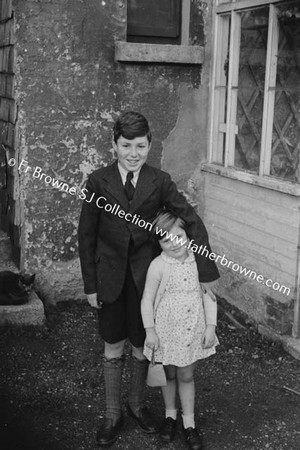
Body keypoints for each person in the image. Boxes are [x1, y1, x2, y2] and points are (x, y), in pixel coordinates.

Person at [78, 111, 219, 447]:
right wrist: (91, 285)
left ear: (149, 145)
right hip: (110, 278)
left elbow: (191, 220)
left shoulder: (160, 180)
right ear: (114, 145)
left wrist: (207, 268)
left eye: (140, 146)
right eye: (126, 145)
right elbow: (86, 235)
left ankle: (138, 405)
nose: (133, 153)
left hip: (146, 281)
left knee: (143, 346)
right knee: (113, 345)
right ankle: (113, 413)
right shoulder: (98, 182)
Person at [141, 210, 218, 450]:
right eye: (165, 239)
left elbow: (209, 296)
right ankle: (170, 416)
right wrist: (150, 331)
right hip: (166, 332)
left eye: (178, 236)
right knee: (169, 375)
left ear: (188, 235)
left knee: (186, 375)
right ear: (158, 242)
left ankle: (189, 423)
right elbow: (147, 300)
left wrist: (211, 326)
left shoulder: (199, 261)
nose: (173, 244)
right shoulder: (158, 265)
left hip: (192, 330)